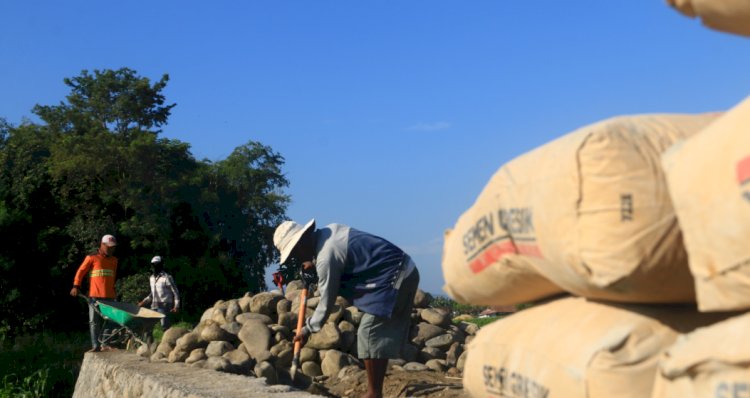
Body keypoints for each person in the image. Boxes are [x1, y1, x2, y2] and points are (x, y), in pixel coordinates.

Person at [274, 219, 419, 398]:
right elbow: (337, 259)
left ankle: (374, 393)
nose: (296, 257)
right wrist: (314, 264)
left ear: (303, 239)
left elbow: (327, 300)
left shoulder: (326, 257)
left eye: (295, 252)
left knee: (369, 332)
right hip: (402, 269)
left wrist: (307, 329)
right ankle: (376, 388)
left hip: (398, 276)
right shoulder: (328, 233)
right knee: (372, 333)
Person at [70, 234, 118, 352]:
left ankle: (105, 344)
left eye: (113, 247)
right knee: (94, 322)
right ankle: (95, 346)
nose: (111, 249)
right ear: (102, 245)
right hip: (94, 295)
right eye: (109, 247)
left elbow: (113, 277)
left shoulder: (114, 260)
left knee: (111, 320)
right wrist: (76, 286)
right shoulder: (92, 258)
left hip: (110, 296)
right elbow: (80, 272)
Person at [138, 256, 180, 330]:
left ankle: (167, 341)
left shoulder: (167, 277)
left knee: (164, 326)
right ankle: (149, 341)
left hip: (165, 305)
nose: (155, 266)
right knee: (148, 326)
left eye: (157, 264)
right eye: (153, 264)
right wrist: (143, 302)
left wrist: (176, 306)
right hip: (154, 305)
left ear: (162, 265)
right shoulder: (151, 278)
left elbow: (175, 292)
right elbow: (152, 294)